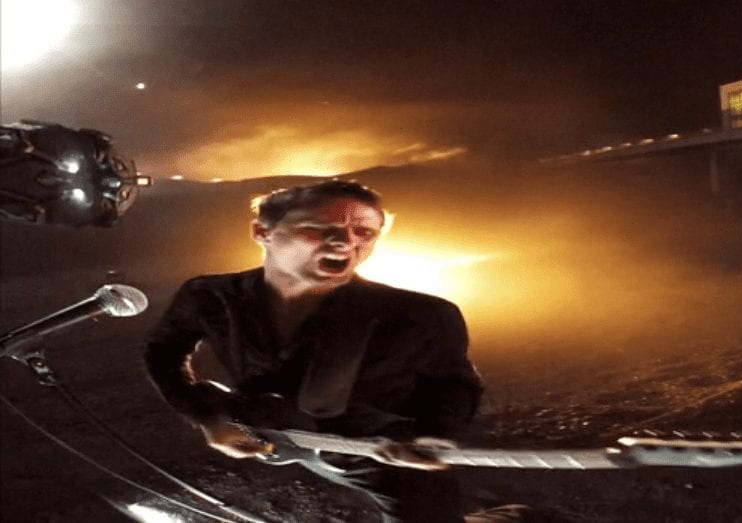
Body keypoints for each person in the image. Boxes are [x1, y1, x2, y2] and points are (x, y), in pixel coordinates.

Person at [144, 180, 525, 522]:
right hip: (274, 428)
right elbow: (163, 351)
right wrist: (207, 416)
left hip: (381, 452)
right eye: (319, 228)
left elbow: (453, 384)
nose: (345, 242)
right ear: (262, 232)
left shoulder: (423, 314)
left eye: (364, 232)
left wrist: (432, 435)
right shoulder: (209, 296)